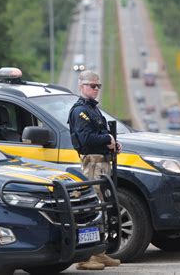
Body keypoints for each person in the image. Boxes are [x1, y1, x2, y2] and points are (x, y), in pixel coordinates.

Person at [68, 70, 121, 271]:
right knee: (91, 208)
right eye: (92, 85)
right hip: (92, 163)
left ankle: (99, 252)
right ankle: (87, 256)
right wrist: (107, 140)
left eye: (98, 86)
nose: (96, 89)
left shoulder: (93, 110)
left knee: (102, 208)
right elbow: (86, 139)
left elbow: (101, 133)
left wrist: (114, 143)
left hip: (102, 163)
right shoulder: (80, 111)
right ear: (81, 86)